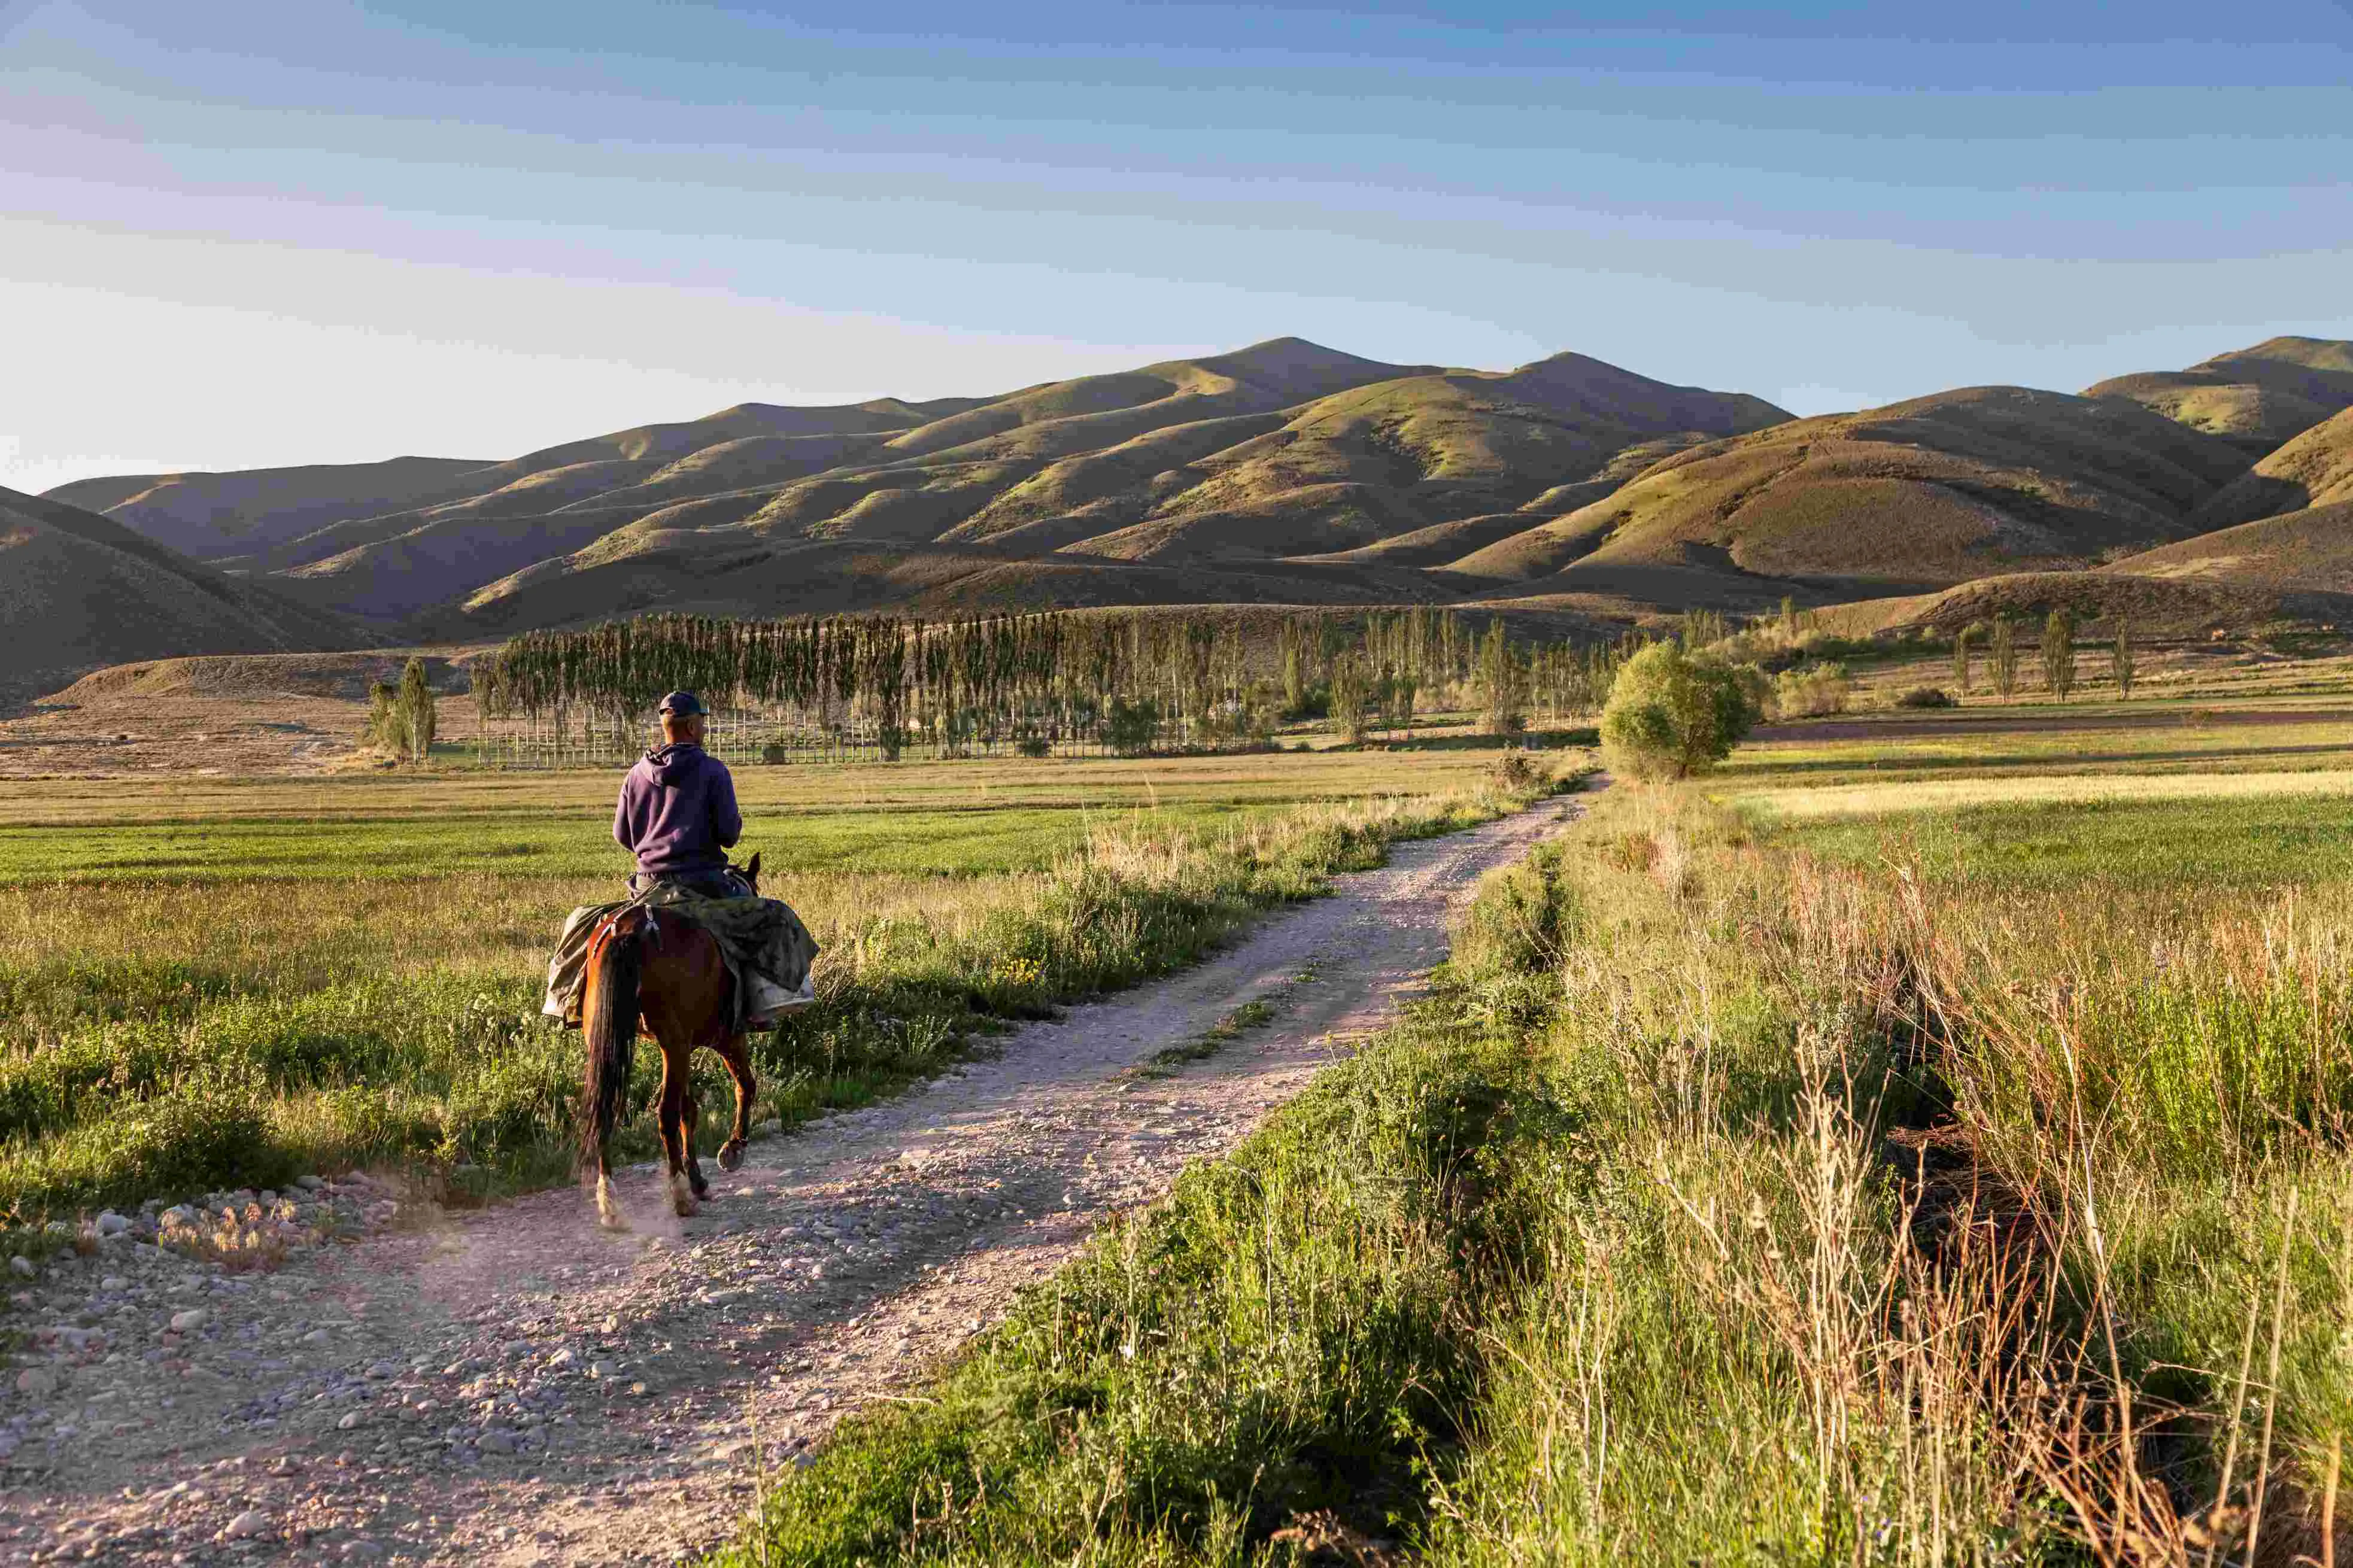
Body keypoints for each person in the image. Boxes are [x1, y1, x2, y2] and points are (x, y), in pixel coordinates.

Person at [612, 690, 747, 899]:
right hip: (703, 882)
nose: (704, 728)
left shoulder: (635, 775)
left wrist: (655, 856)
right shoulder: (714, 771)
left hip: (647, 885)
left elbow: (621, 835)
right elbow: (728, 836)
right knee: (766, 916)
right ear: (692, 727)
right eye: (702, 722)